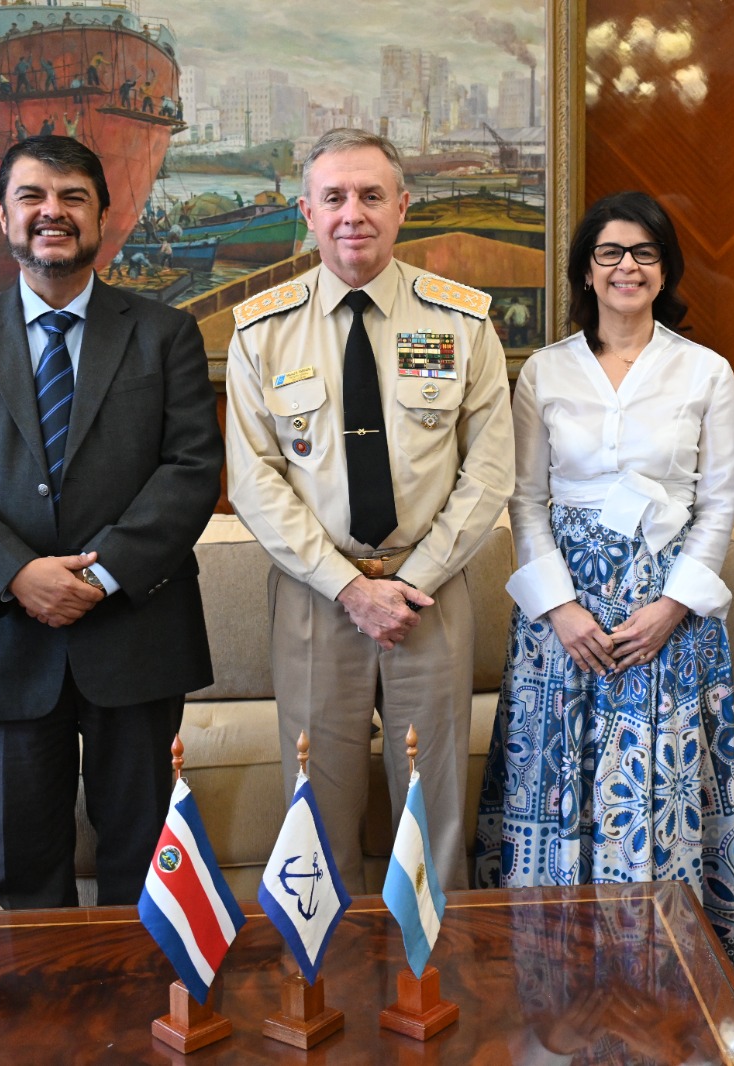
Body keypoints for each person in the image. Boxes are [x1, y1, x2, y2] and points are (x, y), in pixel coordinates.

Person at [0, 135, 224, 911]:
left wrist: (101, 574)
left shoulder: (164, 334)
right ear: (2, 214)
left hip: (136, 631)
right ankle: (43, 1024)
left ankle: (143, 1017)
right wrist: (18, 573)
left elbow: (190, 472)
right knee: (27, 856)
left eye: (74, 197)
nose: (53, 213)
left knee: (144, 853)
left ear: (104, 216)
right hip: (2, 635)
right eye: (34, 196)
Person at [225, 128, 514, 893]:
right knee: (317, 806)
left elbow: (489, 468)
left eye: (372, 195)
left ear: (402, 207)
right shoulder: (263, 332)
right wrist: (349, 588)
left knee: (435, 801)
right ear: (308, 212)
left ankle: (434, 981)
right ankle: (330, 984)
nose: (353, 213)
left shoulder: (460, 321)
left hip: (430, 594)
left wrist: (412, 581)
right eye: (335, 197)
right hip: (318, 600)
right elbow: (254, 479)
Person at [473, 191, 734, 980]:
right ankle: (554, 975)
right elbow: (524, 501)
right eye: (610, 253)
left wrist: (671, 608)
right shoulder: (544, 372)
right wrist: (559, 609)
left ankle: (661, 977)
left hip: (668, 619)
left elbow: (720, 502)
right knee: (558, 789)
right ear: (586, 271)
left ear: (665, 270)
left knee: (651, 798)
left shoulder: (706, 372)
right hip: (563, 623)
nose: (627, 267)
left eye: (644, 253)